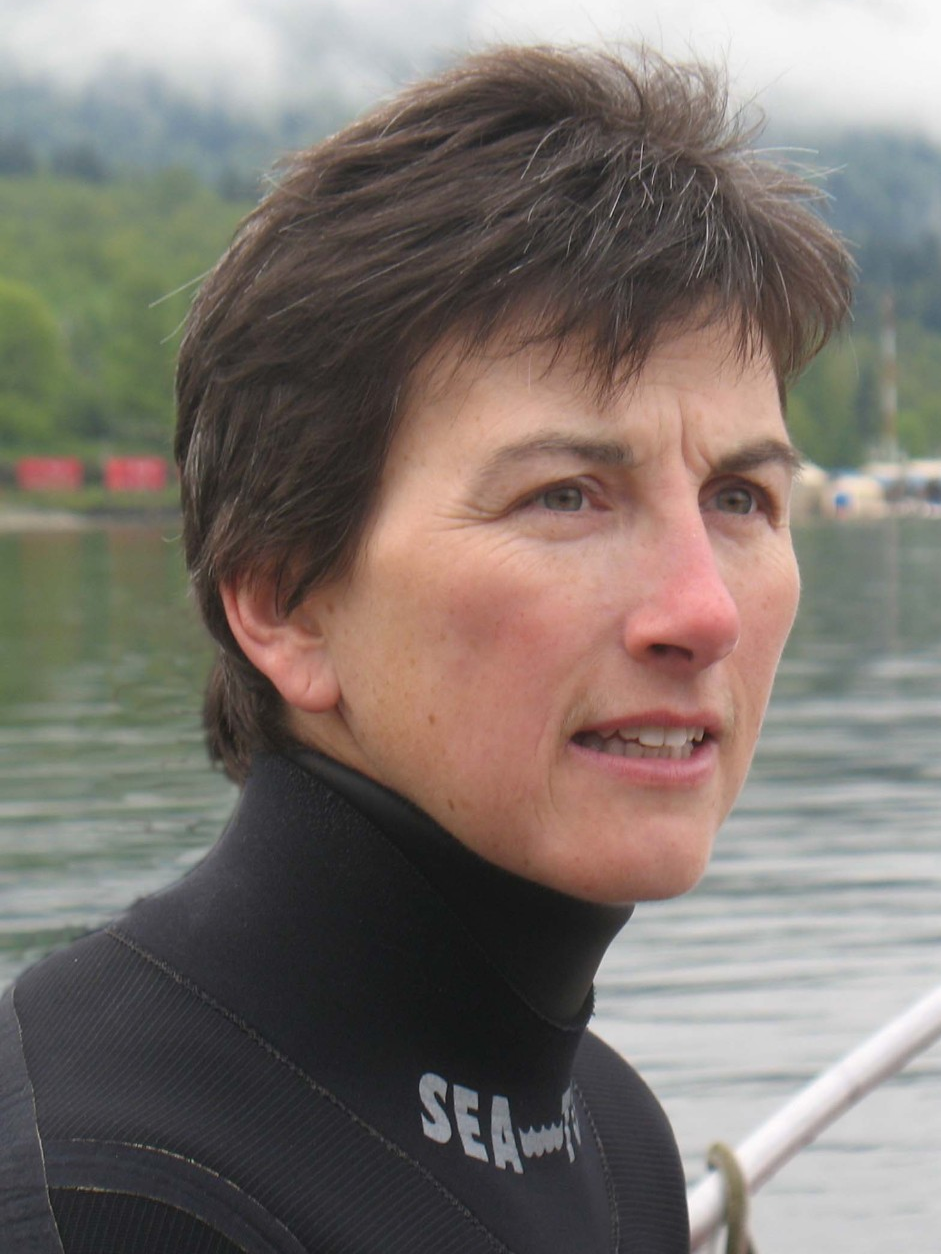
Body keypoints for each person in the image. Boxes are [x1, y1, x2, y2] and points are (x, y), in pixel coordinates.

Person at [1, 44, 852, 1254]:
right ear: (285, 604)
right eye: (564, 496)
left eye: (739, 499)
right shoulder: (110, 1196)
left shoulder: (616, 1143)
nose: (703, 612)